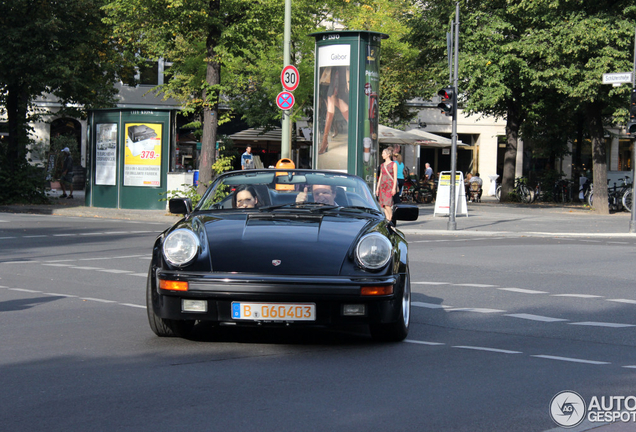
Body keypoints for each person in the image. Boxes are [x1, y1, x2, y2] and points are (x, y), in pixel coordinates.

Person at [318, 66, 349, 155]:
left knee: (339, 102)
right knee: (333, 100)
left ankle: (325, 142)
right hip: (335, 72)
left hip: (340, 73)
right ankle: (324, 141)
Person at [376, 147, 398, 221]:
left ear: (388, 154)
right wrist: (377, 188)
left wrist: (394, 188)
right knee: (384, 205)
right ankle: (387, 220)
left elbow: (395, 178)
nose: (382, 155)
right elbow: (380, 177)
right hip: (382, 187)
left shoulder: (393, 164)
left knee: (388, 204)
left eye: (383, 153)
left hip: (389, 186)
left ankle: (391, 218)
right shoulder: (382, 165)